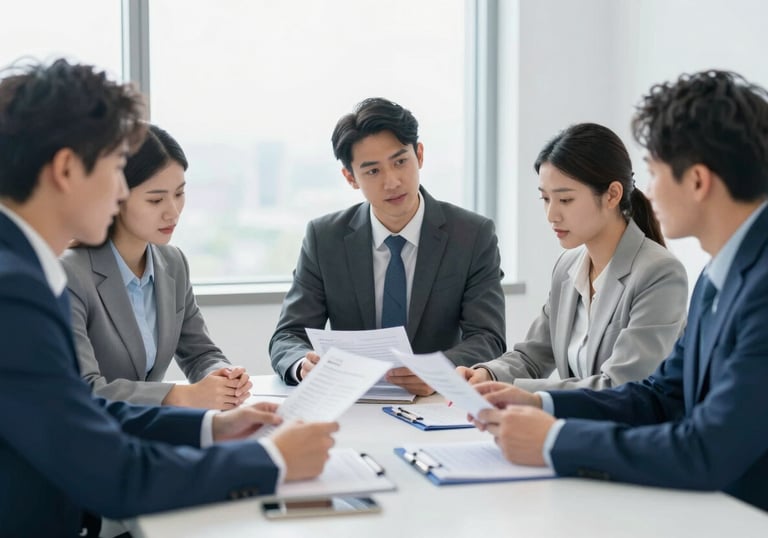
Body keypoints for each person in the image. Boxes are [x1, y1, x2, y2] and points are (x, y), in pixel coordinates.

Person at [0, 58, 338, 537]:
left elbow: (75, 408)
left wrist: (210, 428)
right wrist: (268, 460)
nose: (120, 191)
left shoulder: (22, 270)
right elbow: (112, 473)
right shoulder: (14, 289)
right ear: (66, 168)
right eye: (118, 168)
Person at [473, 70, 768, 511]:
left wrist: (556, 440)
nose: (646, 190)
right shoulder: (716, 276)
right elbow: (659, 396)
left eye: (652, 172)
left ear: (698, 181)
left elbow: (708, 448)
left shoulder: (756, 285)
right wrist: (543, 402)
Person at [269, 97, 506, 396]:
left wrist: (437, 372)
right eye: (372, 171)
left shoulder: (472, 235)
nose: (392, 181)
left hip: (439, 402)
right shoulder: (324, 237)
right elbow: (288, 336)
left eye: (400, 161)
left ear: (419, 155)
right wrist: (303, 364)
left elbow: (488, 337)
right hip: (353, 403)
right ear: (350, 178)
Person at [458, 123, 687, 391]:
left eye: (565, 200)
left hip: (631, 430)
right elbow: (533, 356)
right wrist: (488, 375)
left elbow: (621, 386)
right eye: (545, 199)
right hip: (582, 427)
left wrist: (521, 394)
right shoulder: (568, 267)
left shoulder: (659, 273)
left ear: (612, 194)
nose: (551, 214)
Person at [62, 124, 251, 409]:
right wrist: (180, 395)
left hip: (150, 433)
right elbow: (83, 388)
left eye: (179, 194)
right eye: (156, 199)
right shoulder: (70, 274)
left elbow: (200, 353)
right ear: (116, 196)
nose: (172, 212)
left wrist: (222, 377)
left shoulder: (173, 263)